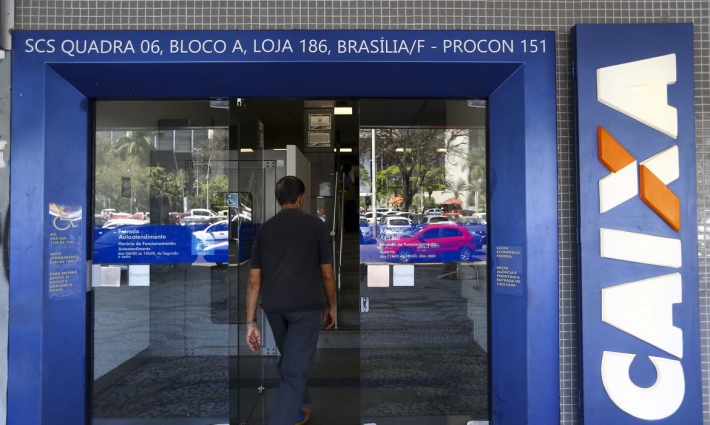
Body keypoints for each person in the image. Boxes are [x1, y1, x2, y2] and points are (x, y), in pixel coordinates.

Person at [246, 175, 337, 425]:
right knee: (294, 367)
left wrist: (251, 321)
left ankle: (295, 411)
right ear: (301, 198)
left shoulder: (265, 229)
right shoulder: (315, 225)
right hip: (305, 307)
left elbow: (254, 280)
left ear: (278, 200)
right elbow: (327, 274)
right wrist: (332, 305)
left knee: (289, 359)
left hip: (274, 307)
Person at [339, 163, 359, 232]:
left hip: (351, 196)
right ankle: (349, 227)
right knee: (348, 214)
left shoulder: (347, 175)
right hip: (346, 198)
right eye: (348, 170)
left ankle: (352, 227)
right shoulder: (341, 175)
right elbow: (342, 184)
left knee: (352, 213)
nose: (349, 171)